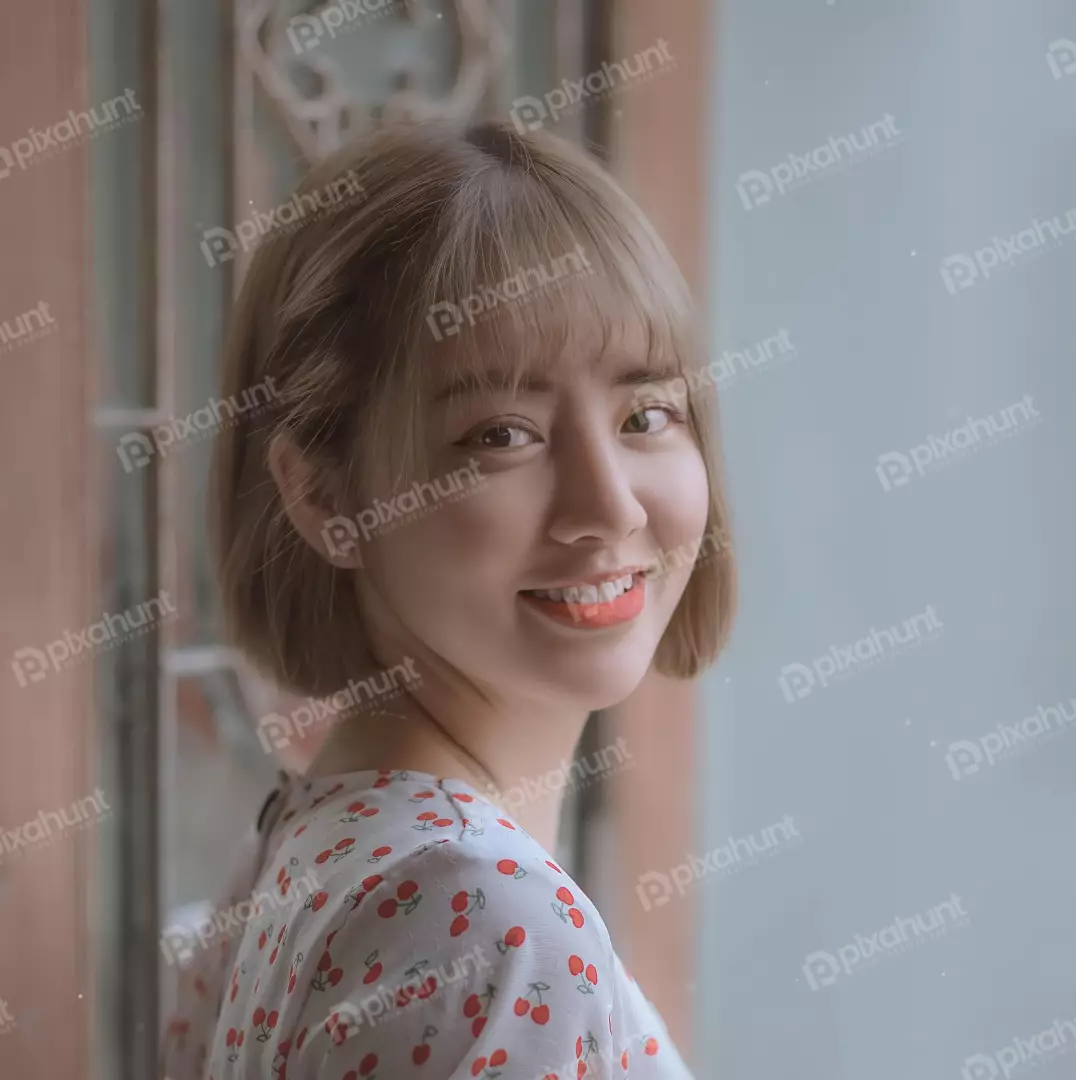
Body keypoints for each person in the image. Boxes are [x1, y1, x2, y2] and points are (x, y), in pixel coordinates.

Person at [160, 117, 735, 1080]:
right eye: (502, 434)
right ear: (322, 494)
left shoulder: (297, 855)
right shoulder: (489, 925)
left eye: (646, 414)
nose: (608, 505)